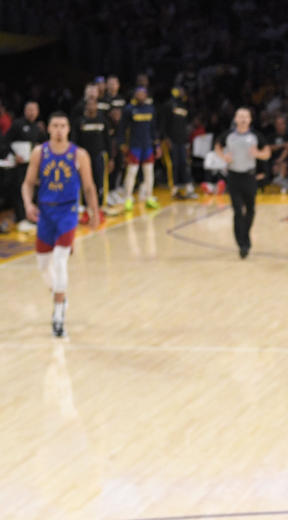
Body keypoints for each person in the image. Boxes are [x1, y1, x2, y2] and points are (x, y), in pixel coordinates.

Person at [21, 112, 101, 337]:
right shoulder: (40, 152)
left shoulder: (79, 154)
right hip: (45, 212)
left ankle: (58, 316)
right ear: (48, 128)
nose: (58, 129)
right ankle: (60, 296)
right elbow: (27, 184)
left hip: (68, 212)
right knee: (43, 266)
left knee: (60, 260)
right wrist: (28, 204)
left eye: (62, 126)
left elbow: (88, 187)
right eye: (55, 125)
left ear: (68, 129)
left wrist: (95, 212)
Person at [215, 108, 272, 259]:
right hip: (234, 177)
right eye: (240, 116)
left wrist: (258, 154)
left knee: (251, 210)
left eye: (246, 116)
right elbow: (217, 147)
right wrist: (223, 156)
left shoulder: (256, 136)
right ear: (235, 119)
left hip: (249, 177)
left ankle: (245, 235)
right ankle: (242, 244)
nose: (243, 119)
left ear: (250, 119)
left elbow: (267, 153)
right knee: (238, 211)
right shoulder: (228, 135)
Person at [7, 101, 47, 232]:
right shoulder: (18, 124)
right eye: (29, 110)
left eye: (34, 110)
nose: (31, 112)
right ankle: (21, 219)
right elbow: (5, 141)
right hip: (19, 165)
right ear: (25, 110)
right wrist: (13, 155)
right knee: (19, 190)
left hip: (32, 165)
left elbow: (42, 143)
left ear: (38, 112)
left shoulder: (37, 127)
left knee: (32, 190)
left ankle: (31, 217)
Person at [120, 86, 159, 211]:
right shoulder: (129, 109)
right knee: (131, 172)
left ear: (146, 95)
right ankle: (128, 198)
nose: (141, 96)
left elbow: (154, 129)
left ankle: (149, 198)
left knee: (149, 173)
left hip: (147, 146)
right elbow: (122, 128)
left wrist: (157, 145)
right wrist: (122, 144)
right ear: (135, 95)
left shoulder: (150, 109)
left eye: (143, 94)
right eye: (138, 93)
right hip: (134, 146)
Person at [159, 87, 195, 199]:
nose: (183, 92)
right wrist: (165, 138)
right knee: (172, 165)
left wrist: (187, 143)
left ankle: (187, 186)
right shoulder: (168, 105)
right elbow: (163, 123)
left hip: (182, 141)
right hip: (171, 141)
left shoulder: (184, 106)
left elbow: (185, 126)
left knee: (184, 163)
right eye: (180, 91)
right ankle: (173, 188)